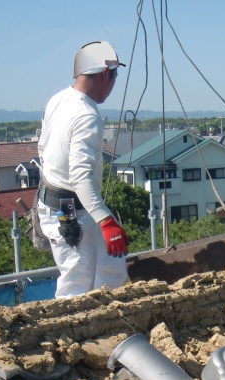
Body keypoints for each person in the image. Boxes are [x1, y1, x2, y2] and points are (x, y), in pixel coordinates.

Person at [37, 41, 130, 298]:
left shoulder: (58, 100)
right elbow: (80, 177)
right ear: (105, 73)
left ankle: (112, 316)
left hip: (70, 204)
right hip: (71, 211)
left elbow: (42, 147)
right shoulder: (87, 115)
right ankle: (71, 325)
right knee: (75, 287)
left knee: (112, 269)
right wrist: (107, 222)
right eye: (114, 77)